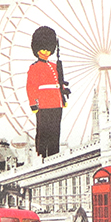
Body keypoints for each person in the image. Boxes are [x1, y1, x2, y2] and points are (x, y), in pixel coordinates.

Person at [26, 26, 67, 158]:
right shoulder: (34, 67)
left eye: (48, 49)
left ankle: (54, 155)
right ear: (37, 49)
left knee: (55, 131)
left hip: (56, 103)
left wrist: (63, 96)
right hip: (43, 104)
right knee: (43, 132)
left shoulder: (54, 66)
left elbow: (59, 82)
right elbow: (31, 86)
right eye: (43, 49)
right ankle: (42, 156)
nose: (46, 52)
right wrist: (33, 104)